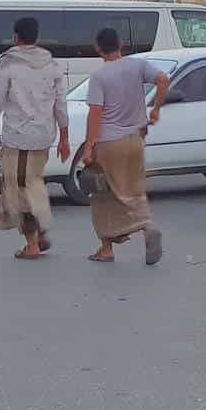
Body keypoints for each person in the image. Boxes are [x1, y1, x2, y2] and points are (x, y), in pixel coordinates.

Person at [0, 17, 68, 260]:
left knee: (19, 191)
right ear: (37, 37)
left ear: (16, 37)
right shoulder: (51, 64)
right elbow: (61, 103)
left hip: (18, 139)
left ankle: (33, 242)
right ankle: (38, 233)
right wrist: (64, 136)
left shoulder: (8, 65)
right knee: (33, 182)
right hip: (43, 137)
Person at [82, 28, 169, 265]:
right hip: (136, 138)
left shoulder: (99, 76)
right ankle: (124, 237)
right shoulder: (137, 65)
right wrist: (156, 109)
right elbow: (163, 80)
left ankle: (134, 232)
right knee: (132, 189)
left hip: (110, 143)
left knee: (104, 194)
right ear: (120, 43)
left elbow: (96, 114)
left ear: (98, 48)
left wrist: (89, 146)